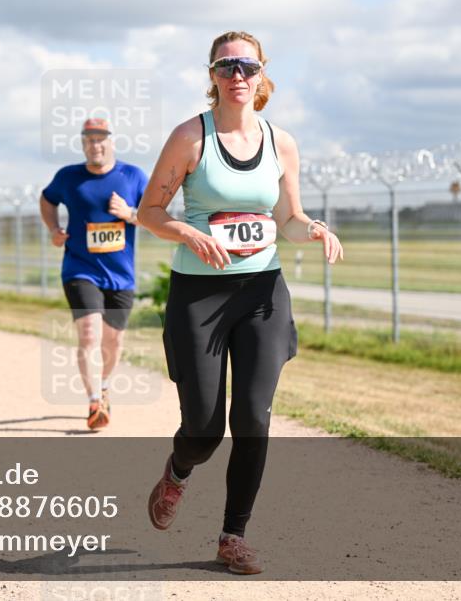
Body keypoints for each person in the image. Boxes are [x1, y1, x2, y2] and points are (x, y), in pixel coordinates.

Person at [138, 31, 344, 574]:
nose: (238, 75)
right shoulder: (190, 137)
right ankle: (178, 472)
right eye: (226, 66)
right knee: (204, 430)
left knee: (253, 417)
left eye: (247, 66)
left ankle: (234, 536)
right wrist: (188, 233)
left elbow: (288, 220)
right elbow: (149, 212)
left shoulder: (281, 142)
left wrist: (313, 229)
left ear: (261, 73)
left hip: (262, 293)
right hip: (199, 294)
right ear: (212, 74)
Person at [40, 118, 149, 430]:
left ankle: (103, 387)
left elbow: (155, 215)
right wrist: (54, 229)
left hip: (120, 275)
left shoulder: (133, 176)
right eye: (89, 139)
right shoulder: (68, 177)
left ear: (111, 142)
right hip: (79, 268)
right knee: (89, 334)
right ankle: (93, 402)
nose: (95, 145)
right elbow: (47, 200)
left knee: (113, 341)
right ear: (83, 144)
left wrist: (129, 214)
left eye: (101, 139)